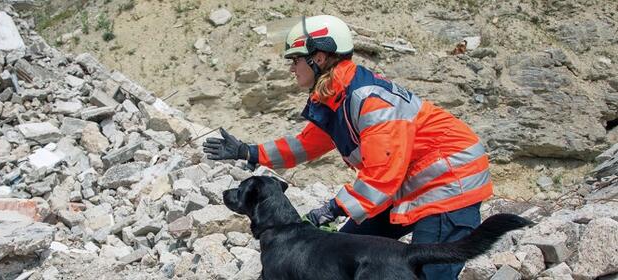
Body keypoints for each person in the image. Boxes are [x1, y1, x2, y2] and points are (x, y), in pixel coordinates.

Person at [202, 15, 493, 280]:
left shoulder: (370, 100)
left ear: (319, 56)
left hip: (449, 186)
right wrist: (248, 152)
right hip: (404, 188)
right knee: (342, 261)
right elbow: (305, 145)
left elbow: (381, 177)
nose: (291, 67)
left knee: (430, 275)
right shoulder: (336, 97)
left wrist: (331, 208)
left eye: (296, 59)